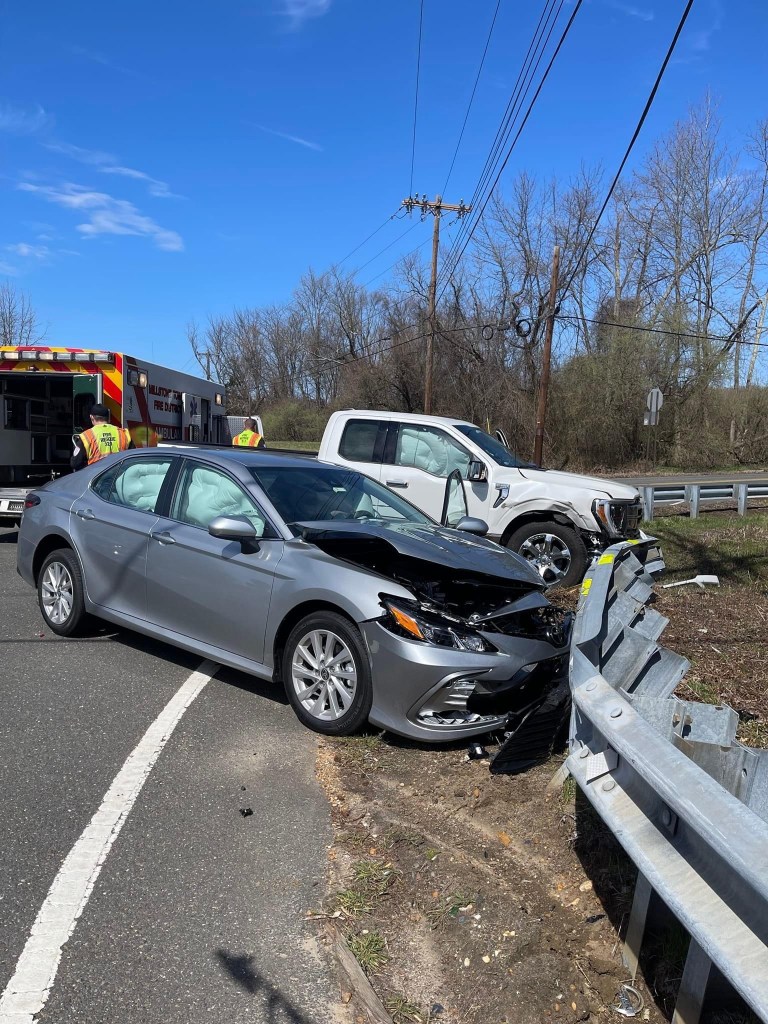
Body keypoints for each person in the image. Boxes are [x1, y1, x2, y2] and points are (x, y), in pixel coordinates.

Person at [71, 404, 134, 470]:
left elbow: (75, 463)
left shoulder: (86, 436)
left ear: (91, 417)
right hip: (119, 474)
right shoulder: (123, 433)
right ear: (108, 417)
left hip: (97, 474)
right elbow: (133, 458)